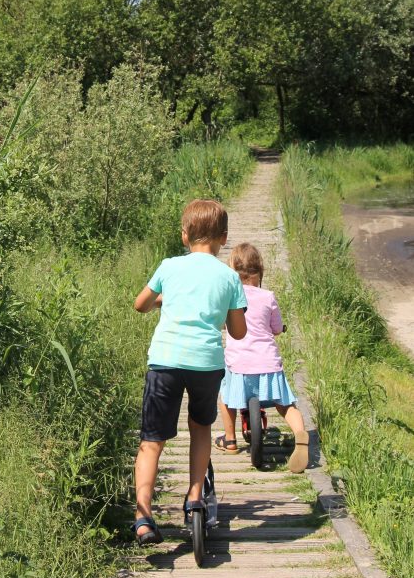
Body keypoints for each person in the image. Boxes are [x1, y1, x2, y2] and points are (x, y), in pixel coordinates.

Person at [131, 198, 247, 545]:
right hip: (206, 364)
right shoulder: (229, 276)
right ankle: (195, 497)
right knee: (200, 428)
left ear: (185, 236)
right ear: (223, 238)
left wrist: (165, 300)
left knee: (152, 442)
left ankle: (143, 517)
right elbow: (238, 331)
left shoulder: (169, 267)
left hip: (166, 360)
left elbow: (140, 305)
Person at [217, 242, 309, 473]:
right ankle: (300, 432)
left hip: (239, 366)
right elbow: (276, 328)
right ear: (260, 271)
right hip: (268, 364)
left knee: (226, 396)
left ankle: (229, 440)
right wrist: (279, 329)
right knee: (285, 404)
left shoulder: (229, 296)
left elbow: (220, 321)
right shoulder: (268, 296)